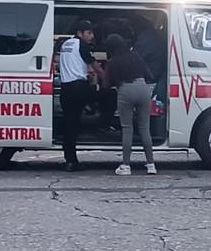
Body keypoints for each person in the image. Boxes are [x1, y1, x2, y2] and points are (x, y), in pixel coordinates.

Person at [104, 34, 157, 175]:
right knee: (145, 128)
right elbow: (149, 75)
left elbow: (106, 85)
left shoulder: (112, 61)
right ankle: (151, 165)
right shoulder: (136, 56)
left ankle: (126, 166)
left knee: (127, 129)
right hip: (142, 88)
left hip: (125, 90)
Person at [58, 21, 97, 172]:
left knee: (70, 124)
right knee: (108, 96)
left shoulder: (65, 44)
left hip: (66, 88)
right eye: (89, 33)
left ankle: (70, 160)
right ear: (80, 33)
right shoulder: (83, 45)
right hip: (79, 87)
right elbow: (95, 66)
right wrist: (106, 78)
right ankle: (103, 125)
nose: (92, 36)